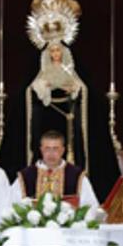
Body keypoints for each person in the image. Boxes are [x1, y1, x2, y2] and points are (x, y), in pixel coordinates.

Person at [26, 41, 88, 171]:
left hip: (67, 113)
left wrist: (73, 89)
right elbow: (35, 87)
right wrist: (44, 87)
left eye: (58, 50)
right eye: (52, 51)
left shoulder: (68, 69)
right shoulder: (45, 70)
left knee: (69, 142)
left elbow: (80, 86)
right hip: (48, 112)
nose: (55, 54)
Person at [12, 130, 99, 210]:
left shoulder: (77, 176)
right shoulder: (25, 176)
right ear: (41, 149)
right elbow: (11, 207)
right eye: (47, 148)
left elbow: (90, 207)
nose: (51, 153)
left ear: (63, 150)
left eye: (55, 149)